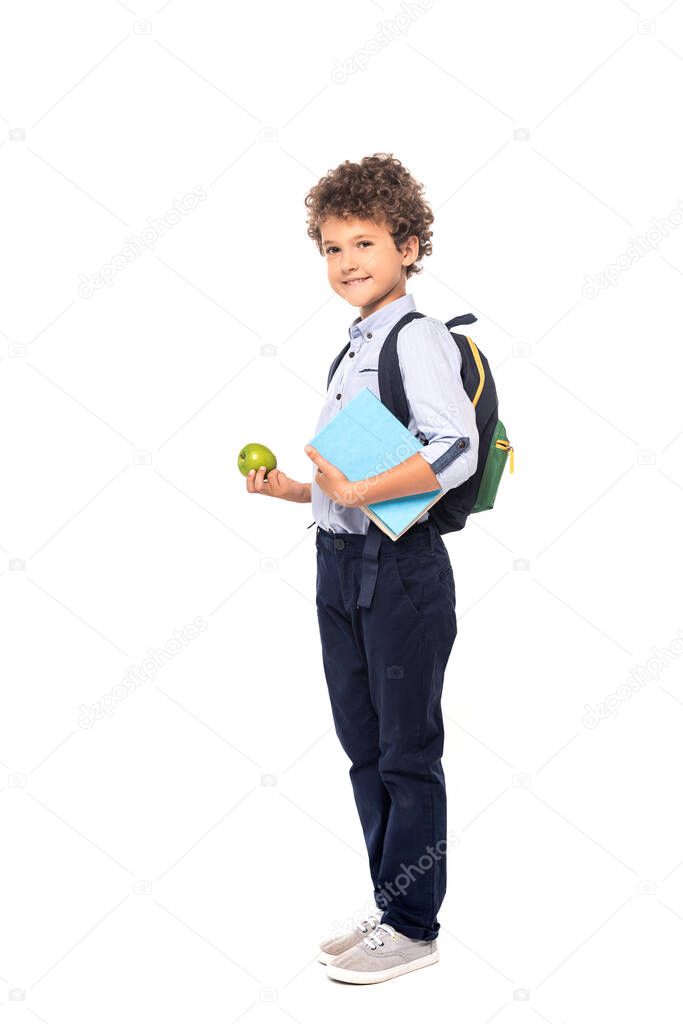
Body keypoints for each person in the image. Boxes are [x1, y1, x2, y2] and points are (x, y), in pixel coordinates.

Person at [245, 153, 479, 985]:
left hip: (401, 572)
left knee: (406, 752)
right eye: (331, 247)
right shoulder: (353, 348)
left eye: (366, 243)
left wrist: (361, 487)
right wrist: (298, 493)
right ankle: (391, 904)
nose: (347, 262)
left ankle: (415, 925)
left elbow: (454, 451)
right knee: (364, 747)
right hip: (339, 563)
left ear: (408, 247)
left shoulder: (416, 340)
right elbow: (357, 476)